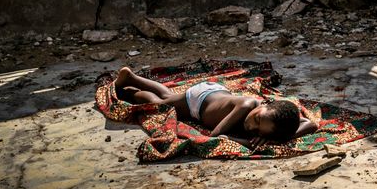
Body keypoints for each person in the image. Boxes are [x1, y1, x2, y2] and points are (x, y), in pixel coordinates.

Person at [113, 66, 316, 149]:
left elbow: (311, 124)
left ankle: (132, 78)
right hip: (199, 100)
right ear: (266, 104)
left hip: (216, 94)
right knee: (160, 103)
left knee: (167, 96)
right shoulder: (246, 106)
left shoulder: (272, 122)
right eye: (257, 119)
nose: (251, 126)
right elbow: (216, 135)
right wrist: (248, 142)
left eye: (257, 130)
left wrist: (277, 137)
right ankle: (129, 87)